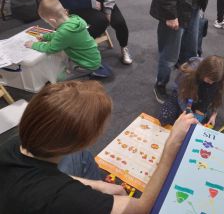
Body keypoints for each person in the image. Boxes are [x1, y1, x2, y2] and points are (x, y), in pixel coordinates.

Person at [0, 80, 198, 213]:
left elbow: (43, 177)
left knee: (82, 159)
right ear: (82, 140)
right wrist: (170, 147)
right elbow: (143, 207)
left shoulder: (17, 142)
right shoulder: (64, 197)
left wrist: (96, 186)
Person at [150, 0, 223, 104]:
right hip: (175, 8)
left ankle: (186, 85)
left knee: (191, 52)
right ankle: (160, 85)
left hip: (194, 4)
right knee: (170, 55)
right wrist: (170, 13)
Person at [24, 0, 102, 80]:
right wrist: (45, 37)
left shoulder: (64, 32)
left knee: (58, 79)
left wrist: (33, 45)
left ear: (52, 21)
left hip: (86, 65)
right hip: (93, 58)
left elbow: (50, 48)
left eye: (48, 23)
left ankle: (84, 76)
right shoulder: (74, 20)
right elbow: (60, 35)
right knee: (63, 61)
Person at [159, 55, 224, 126]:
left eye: (214, 81)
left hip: (199, 101)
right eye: (209, 80)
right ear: (204, 72)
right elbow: (180, 96)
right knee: (164, 118)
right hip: (182, 95)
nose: (211, 83)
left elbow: (217, 95)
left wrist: (214, 114)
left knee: (193, 127)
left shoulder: (217, 77)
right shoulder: (189, 73)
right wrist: (189, 113)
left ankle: (196, 114)